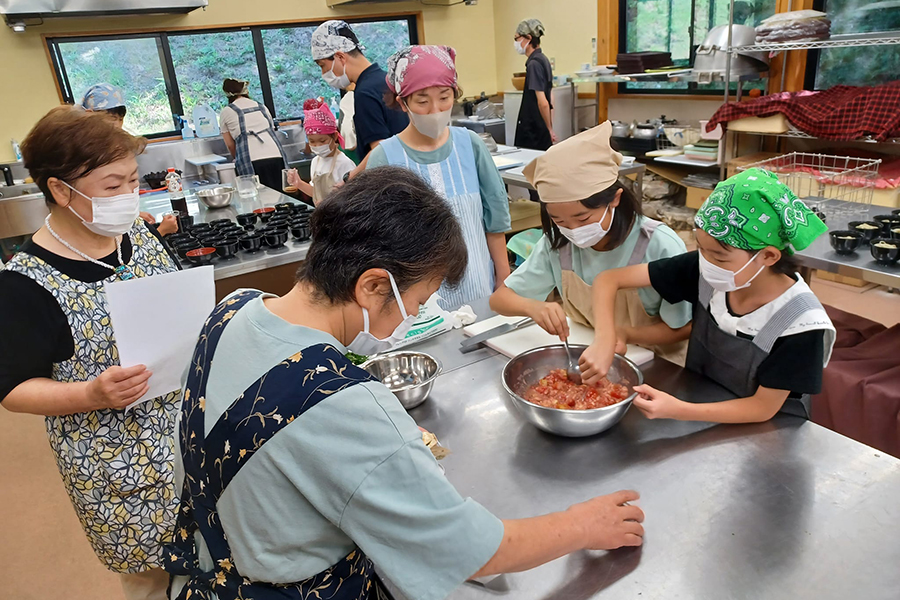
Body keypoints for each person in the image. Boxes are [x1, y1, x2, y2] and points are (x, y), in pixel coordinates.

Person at [163, 166, 645, 600]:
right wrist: (582, 524)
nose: (414, 315)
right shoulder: (342, 404)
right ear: (373, 286)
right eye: (417, 299)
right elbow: (473, 552)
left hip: (204, 570)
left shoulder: (234, 309)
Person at [0, 106, 182, 600]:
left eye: (133, 180)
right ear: (60, 190)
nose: (130, 195)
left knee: (208, 556)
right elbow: (15, 391)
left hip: (187, 434)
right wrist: (90, 392)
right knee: (151, 578)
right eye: (113, 185)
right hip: (115, 464)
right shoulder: (24, 283)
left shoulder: (138, 236)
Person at [581, 168, 837, 423]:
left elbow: (762, 408)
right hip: (702, 402)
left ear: (768, 256)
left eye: (718, 256)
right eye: (701, 248)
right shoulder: (706, 269)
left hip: (768, 431)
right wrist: (607, 338)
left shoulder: (801, 323)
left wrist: (676, 410)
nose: (706, 262)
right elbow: (609, 280)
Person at [490, 122, 691, 363]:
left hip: (656, 361)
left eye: (582, 218)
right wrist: (533, 307)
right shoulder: (559, 243)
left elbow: (684, 326)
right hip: (588, 349)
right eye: (558, 219)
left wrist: (624, 334)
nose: (573, 230)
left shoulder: (659, 245)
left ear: (614, 199)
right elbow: (499, 300)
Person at [366, 45, 512, 309]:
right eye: (422, 101)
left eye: (444, 97)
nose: (435, 109)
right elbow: (381, 242)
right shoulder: (384, 157)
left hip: (479, 287)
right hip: (418, 304)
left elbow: (495, 219)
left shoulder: (470, 144)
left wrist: (503, 277)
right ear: (402, 102)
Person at [82, 82, 177, 236]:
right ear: (89, 115)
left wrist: (133, 215)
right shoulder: (86, 155)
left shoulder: (112, 146)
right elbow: (99, 214)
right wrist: (161, 232)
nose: (117, 125)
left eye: (120, 119)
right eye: (111, 119)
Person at [311, 20, 408, 167]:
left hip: (391, 179)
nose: (324, 73)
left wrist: (351, 179)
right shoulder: (386, 79)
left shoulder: (364, 93)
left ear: (340, 57)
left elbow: (380, 151)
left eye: (323, 66)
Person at [219, 78, 288, 191]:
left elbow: (230, 145)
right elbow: (271, 129)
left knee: (259, 198)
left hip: (251, 160)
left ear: (227, 94)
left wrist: (237, 158)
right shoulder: (262, 107)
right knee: (281, 194)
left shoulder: (226, 112)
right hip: (276, 156)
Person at [286, 99, 355, 205]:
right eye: (312, 141)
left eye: (322, 141)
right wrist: (299, 183)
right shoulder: (315, 162)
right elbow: (316, 193)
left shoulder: (344, 163)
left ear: (335, 136)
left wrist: (329, 205)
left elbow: (354, 197)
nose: (317, 146)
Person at [514, 18, 555, 150]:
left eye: (517, 38)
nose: (516, 43)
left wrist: (549, 129)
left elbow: (543, 101)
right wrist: (549, 126)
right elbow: (551, 98)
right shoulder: (544, 60)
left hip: (532, 131)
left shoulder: (533, 64)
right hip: (541, 128)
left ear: (528, 38)